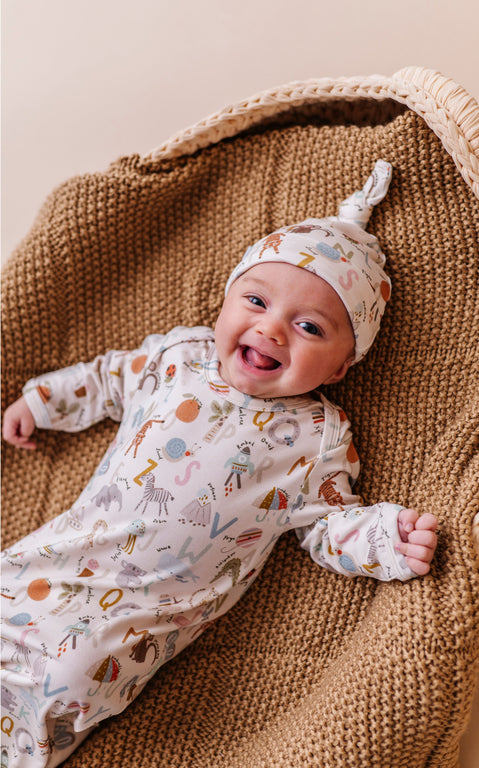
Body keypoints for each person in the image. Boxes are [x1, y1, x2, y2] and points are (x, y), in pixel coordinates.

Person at [1, 160, 437, 767]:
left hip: (136, 616)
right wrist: (43, 401)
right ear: (226, 301)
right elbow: (107, 379)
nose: (272, 328)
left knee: (73, 674)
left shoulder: (315, 439)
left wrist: (387, 538)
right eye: (255, 301)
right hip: (59, 559)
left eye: (309, 326)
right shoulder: (180, 357)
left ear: (342, 366)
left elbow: (328, 524)